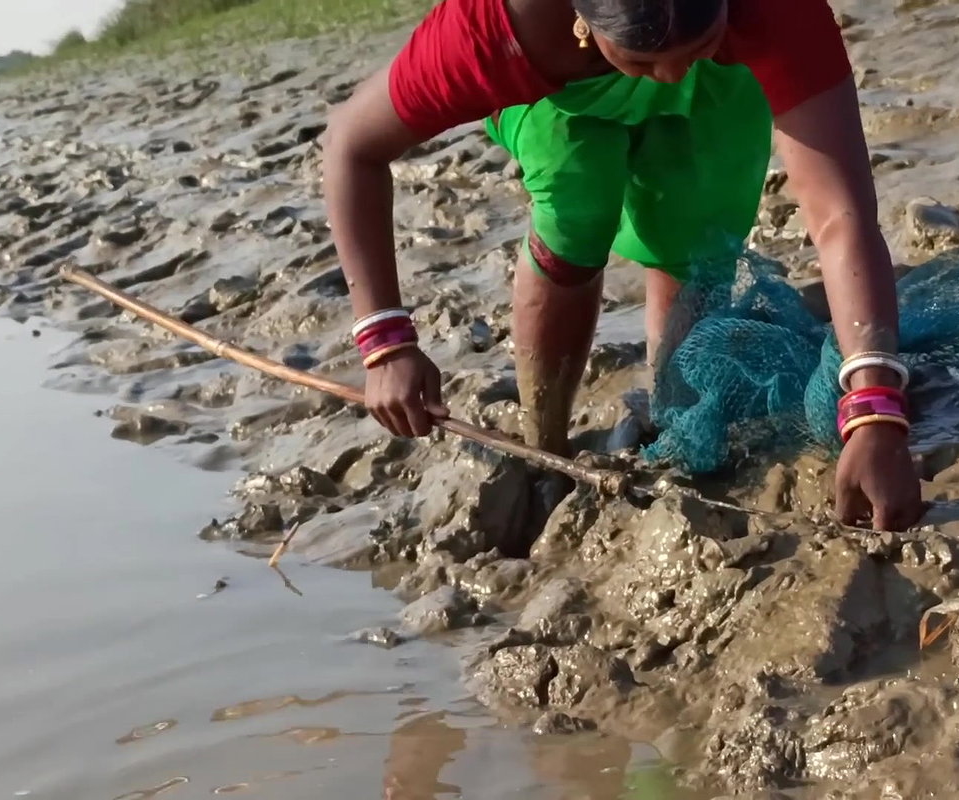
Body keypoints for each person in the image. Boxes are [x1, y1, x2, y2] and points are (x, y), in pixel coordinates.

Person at [322, 0, 926, 531]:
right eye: (643, 60)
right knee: (578, 209)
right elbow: (351, 146)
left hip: (723, 79)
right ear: (583, 19)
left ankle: (677, 427)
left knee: (693, 231)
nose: (667, 75)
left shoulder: (774, 10)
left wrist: (875, 410)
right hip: (557, 91)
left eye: (694, 45)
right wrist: (386, 343)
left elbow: (839, 215)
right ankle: (545, 452)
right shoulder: (496, 27)